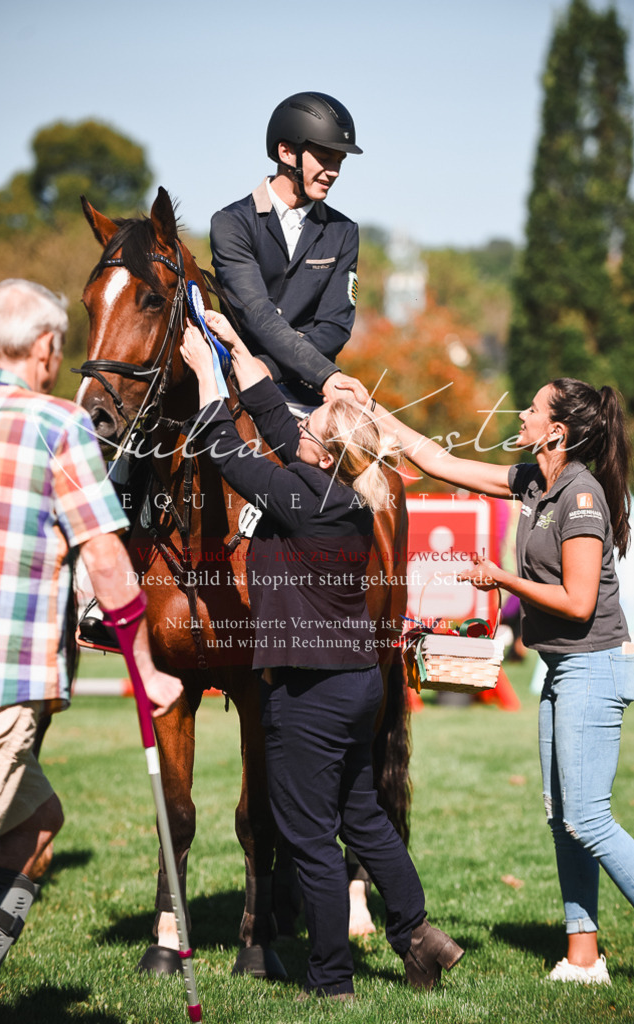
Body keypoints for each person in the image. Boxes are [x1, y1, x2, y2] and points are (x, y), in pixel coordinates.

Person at [179, 310, 464, 999]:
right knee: (360, 814)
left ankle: (332, 981)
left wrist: (204, 373)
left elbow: (225, 445)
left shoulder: (300, 499)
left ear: (323, 452)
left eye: (312, 429)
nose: (299, 427)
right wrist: (238, 346)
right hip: (354, 684)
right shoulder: (345, 493)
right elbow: (277, 420)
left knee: (309, 838)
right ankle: (420, 936)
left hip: (307, 693)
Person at [367, 377, 634, 998]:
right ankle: (583, 956)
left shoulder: (581, 498)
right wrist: (381, 420)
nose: (520, 412)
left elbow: (578, 603)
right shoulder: (533, 481)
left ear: (559, 431)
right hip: (562, 667)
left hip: (594, 663)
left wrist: (500, 577)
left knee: (590, 818)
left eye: (533, 407)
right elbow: (444, 462)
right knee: (563, 818)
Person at [0, 279, 183, 1024]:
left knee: (34, 825)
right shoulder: (59, 423)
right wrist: (148, 668)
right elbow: (107, 557)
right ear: (47, 347)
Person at [209, 91, 371, 412]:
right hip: (233, 385)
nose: (334, 171)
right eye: (325, 158)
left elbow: (335, 326)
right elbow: (257, 314)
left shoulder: (343, 231)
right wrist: (320, 373)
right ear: (286, 151)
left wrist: (273, 366)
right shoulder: (231, 224)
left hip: (309, 393)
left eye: (339, 161)